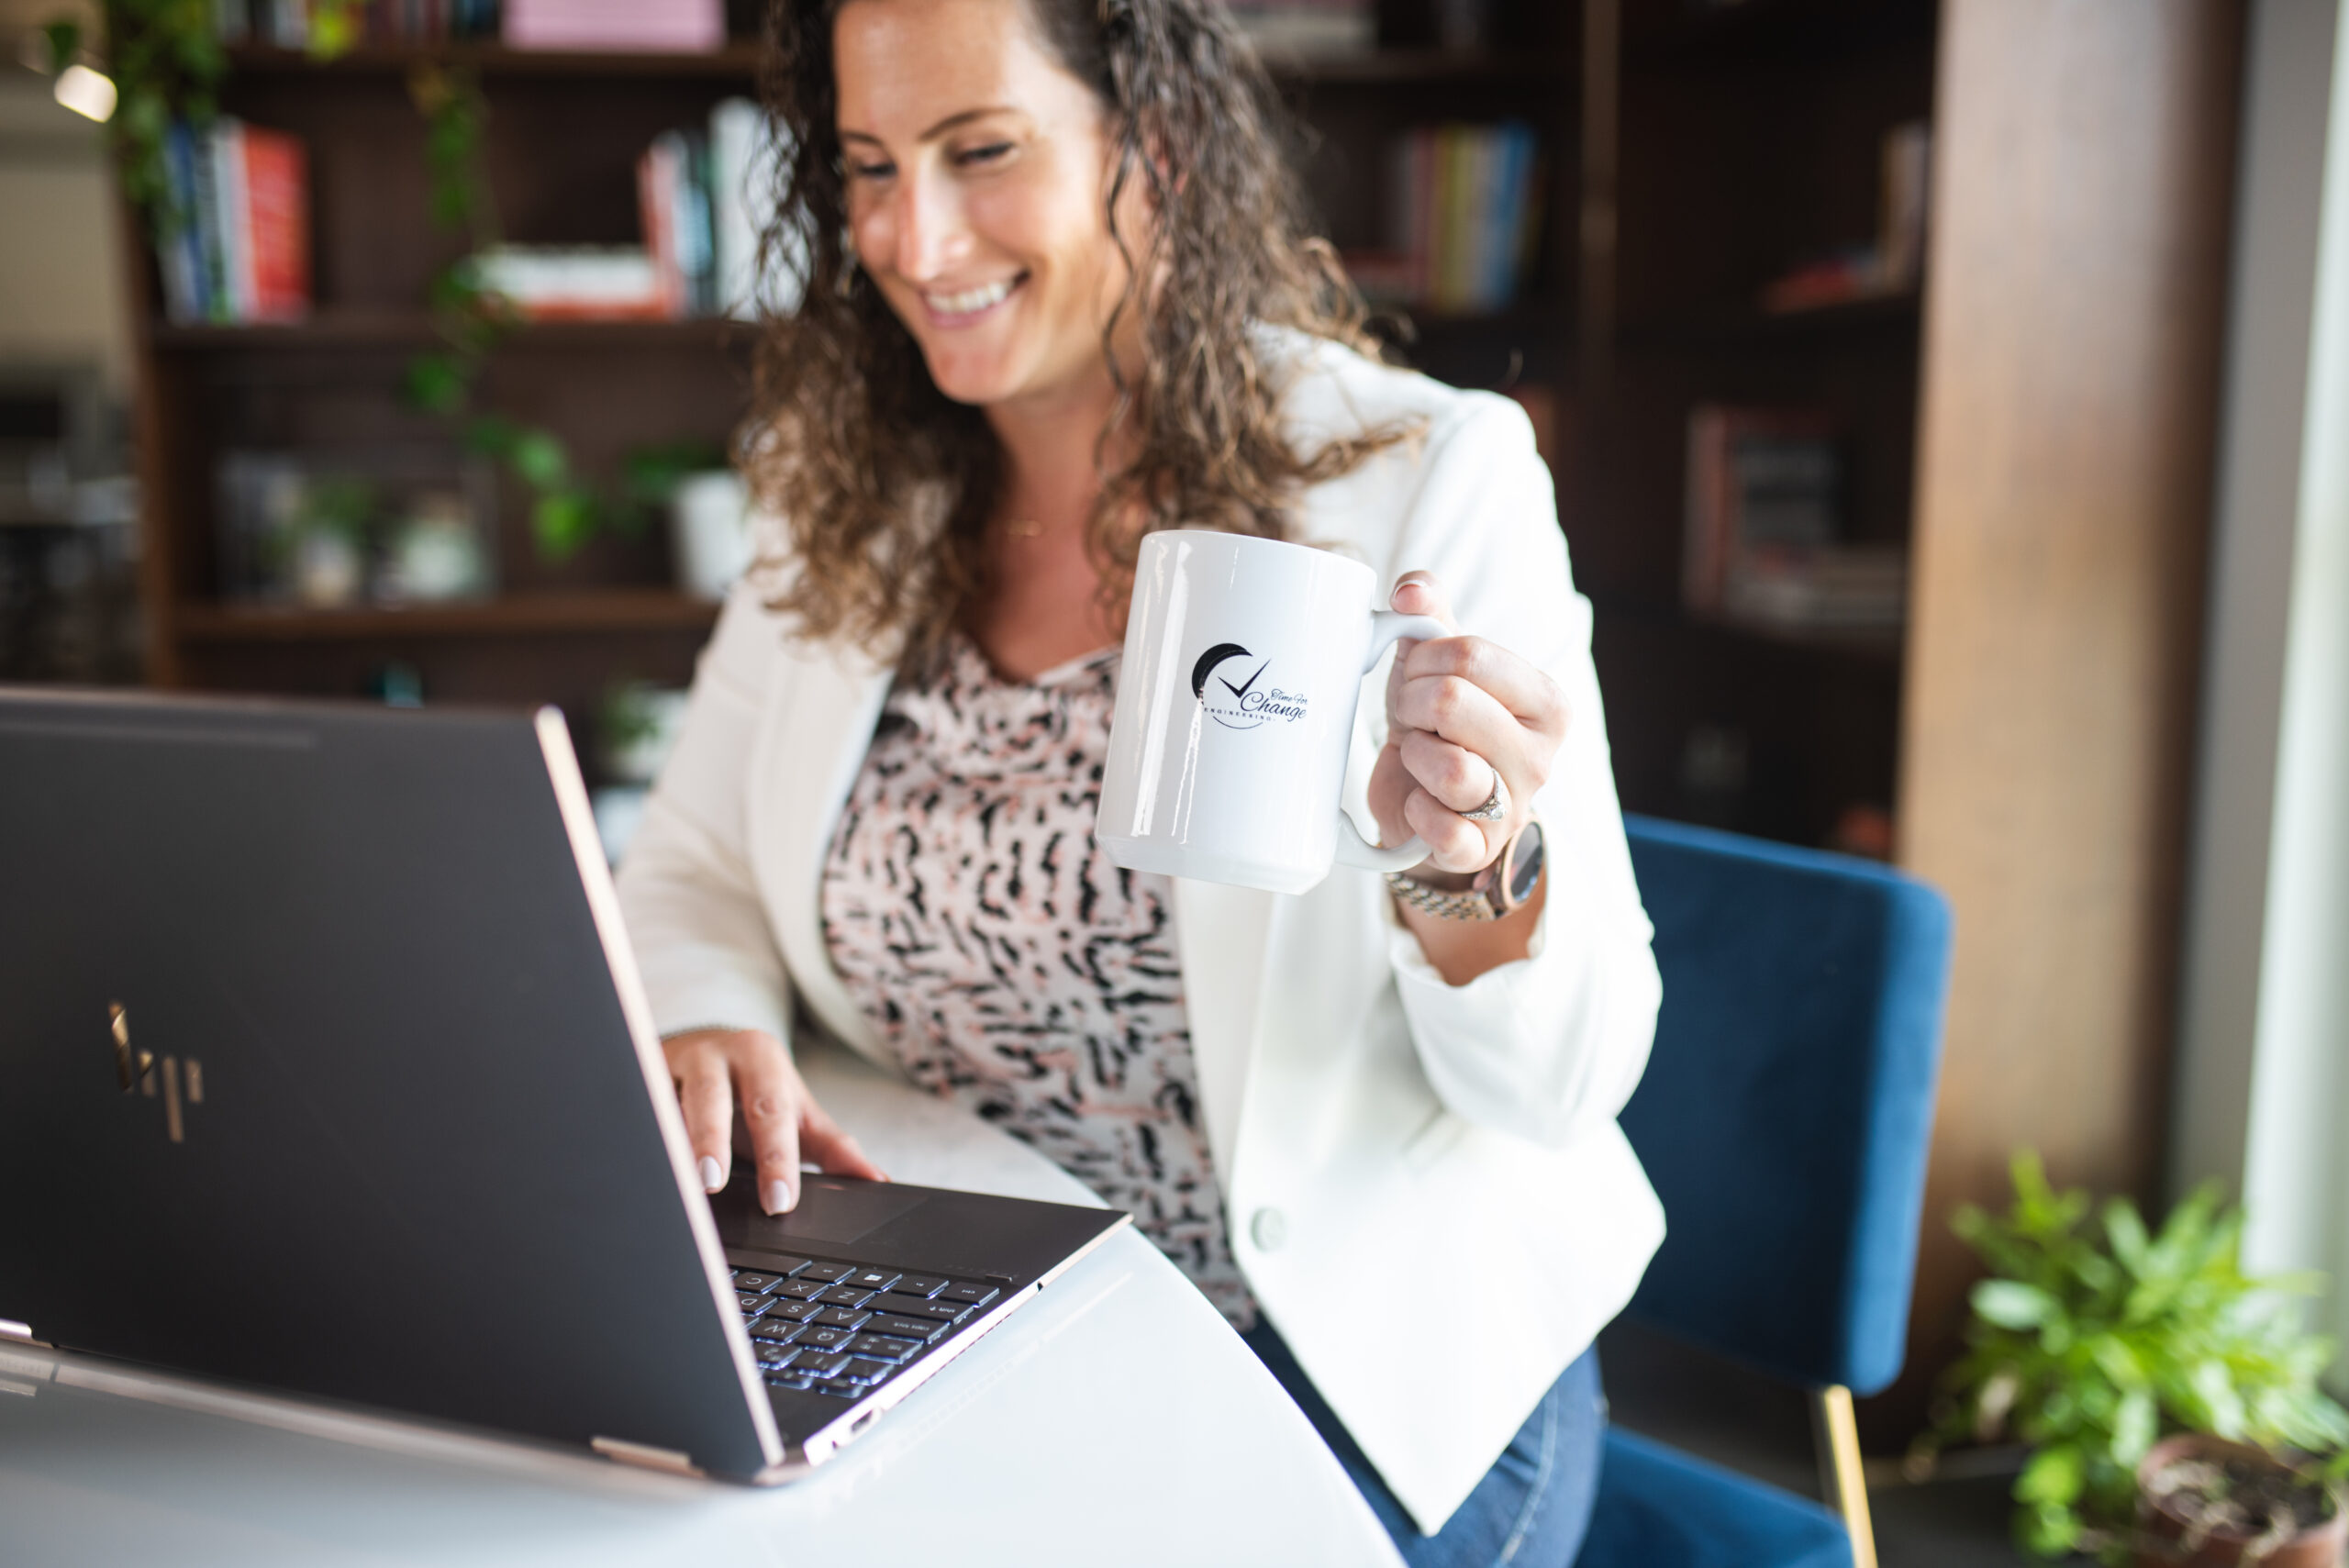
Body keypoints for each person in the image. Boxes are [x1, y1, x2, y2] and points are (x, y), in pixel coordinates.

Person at [614, 0, 1664, 1559]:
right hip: (960, 1349)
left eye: (981, 151)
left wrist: (1469, 856)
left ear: (1152, 147)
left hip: (1344, 1370)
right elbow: (690, 864)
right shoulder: (847, 500)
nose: (914, 234)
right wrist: (709, 1010)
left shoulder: (1419, 474)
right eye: (869, 168)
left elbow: (1565, 1083)